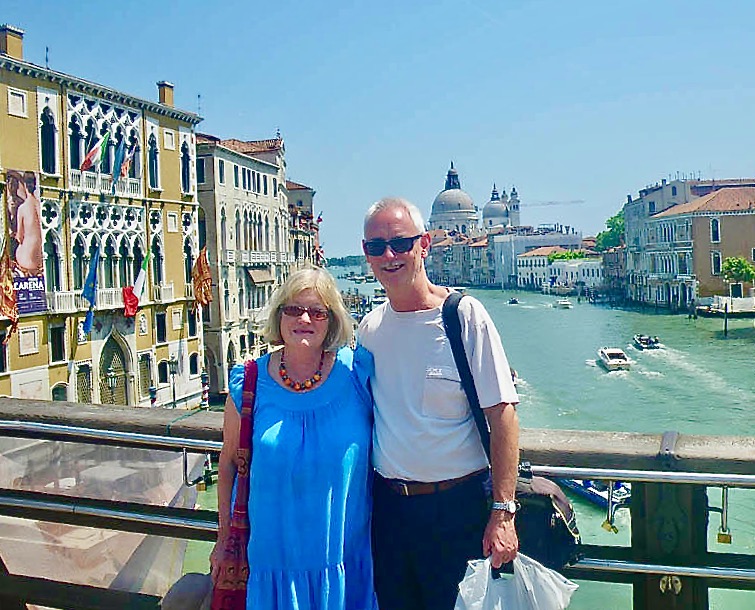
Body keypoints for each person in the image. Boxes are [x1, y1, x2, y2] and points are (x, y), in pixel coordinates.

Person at [358, 197, 520, 610]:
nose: (389, 255)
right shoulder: (370, 329)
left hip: (459, 510)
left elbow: (503, 415)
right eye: (377, 247)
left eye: (400, 243)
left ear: (424, 244)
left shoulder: (464, 316)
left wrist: (503, 514)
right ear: (366, 254)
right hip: (389, 511)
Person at [210, 267, 377, 610]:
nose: (305, 318)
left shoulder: (357, 375)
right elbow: (227, 465)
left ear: (332, 321)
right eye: (293, 309)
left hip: (344, 560)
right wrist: (224, 538)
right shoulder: (249, 382)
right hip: (271, 564)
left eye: (317, 312)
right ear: (279, 315)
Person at [8, 170, 43, 276]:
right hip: (40, 259)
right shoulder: (40, 205)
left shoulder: (22, 208)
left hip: (26, 260)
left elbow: (20, 237)